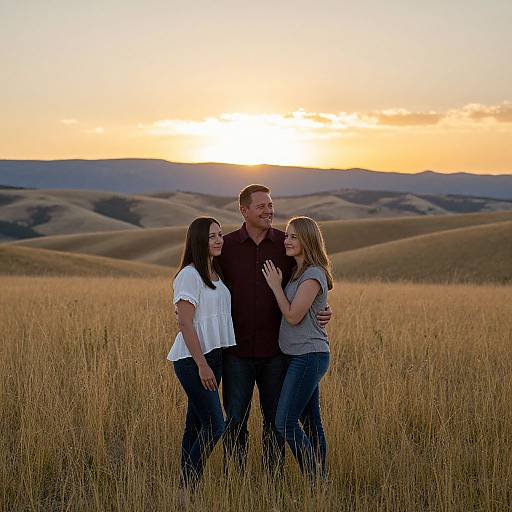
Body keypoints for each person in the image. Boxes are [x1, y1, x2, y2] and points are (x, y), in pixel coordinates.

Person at [217, 185, 332, 474]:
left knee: (276, 423)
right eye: (262, 206)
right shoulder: (226, 247)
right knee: (234, 422)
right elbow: (206, 282)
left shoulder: (285, 244)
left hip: (278, 353)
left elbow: (310, 282)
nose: (270, 210)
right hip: (236, 351)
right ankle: (236, 481)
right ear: (244, 211)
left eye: (271, 205)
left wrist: (324, 309)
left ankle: (274, 481)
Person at [167, 217, 236, 489]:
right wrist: (202, 365)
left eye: (220, 234)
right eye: (212, 236)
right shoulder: (189, 275)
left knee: (195, 425)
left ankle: (185, 488)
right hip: (193, 360)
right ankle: (187, 487)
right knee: (215, 426)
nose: (219, 240)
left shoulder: (216, 272)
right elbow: (184, 322)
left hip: (215, 357)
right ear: (198, 240)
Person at [262, 216, 333, 482]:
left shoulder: (313, 274)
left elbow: (293, 316)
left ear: (308, 240)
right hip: (299, 356)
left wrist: (274, 287)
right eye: (287, 235)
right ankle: (322, 481)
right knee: (311, 423)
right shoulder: (298, 272)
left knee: (285, 424)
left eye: (294, 236)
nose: (287, 240)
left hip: (309, 355)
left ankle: (316, 479)